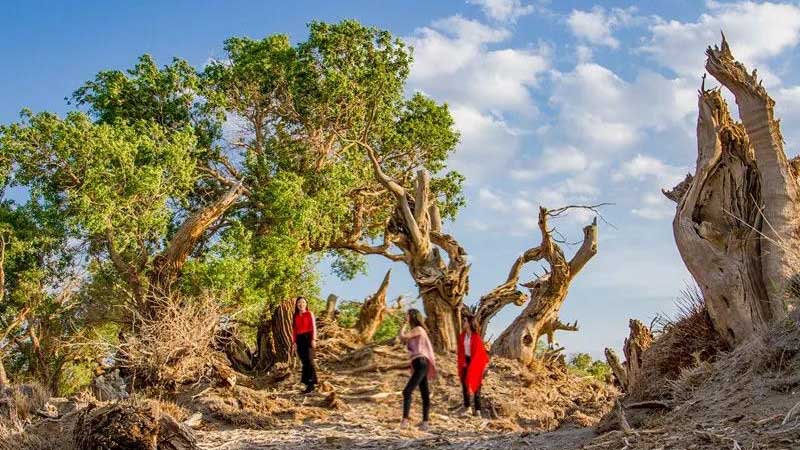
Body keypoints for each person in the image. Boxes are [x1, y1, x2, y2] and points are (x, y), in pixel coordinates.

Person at [398, 308, 437, 431]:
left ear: (412, 316)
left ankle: (405, 421)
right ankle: (425, 423)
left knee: (407, 391)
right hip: (418, 363)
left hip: (421, 362)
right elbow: (402, 339)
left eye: (407, 315)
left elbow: (402, 337)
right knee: (424, 393)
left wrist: (403, 325)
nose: (406, 317)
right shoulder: (416, 330)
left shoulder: (418, 329)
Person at [456, 314, 489, 417]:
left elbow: (480, 353)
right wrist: (463, 363)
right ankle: (467, 407)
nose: (463, 323)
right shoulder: (462, 336)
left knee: (476, 386)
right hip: (465, 360)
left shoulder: (476, 337)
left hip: (476, 361)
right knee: (464, 385)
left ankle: (478, 409)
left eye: (465, 321)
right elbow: (460, 351)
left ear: (470, 323)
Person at [292, 296, 317, 394]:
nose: (301, 304)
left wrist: (313, 339)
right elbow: (294, 330)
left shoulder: (309, 313)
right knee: (304, 362)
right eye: (299, 303)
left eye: (303, 302)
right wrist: (294, 342)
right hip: (299, 339)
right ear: (296, 305)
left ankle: (311, 383)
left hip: (308, 337)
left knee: (309, 361)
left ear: (306, 304)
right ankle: (308, 384)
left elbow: (313, 326)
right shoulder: (295, 316)